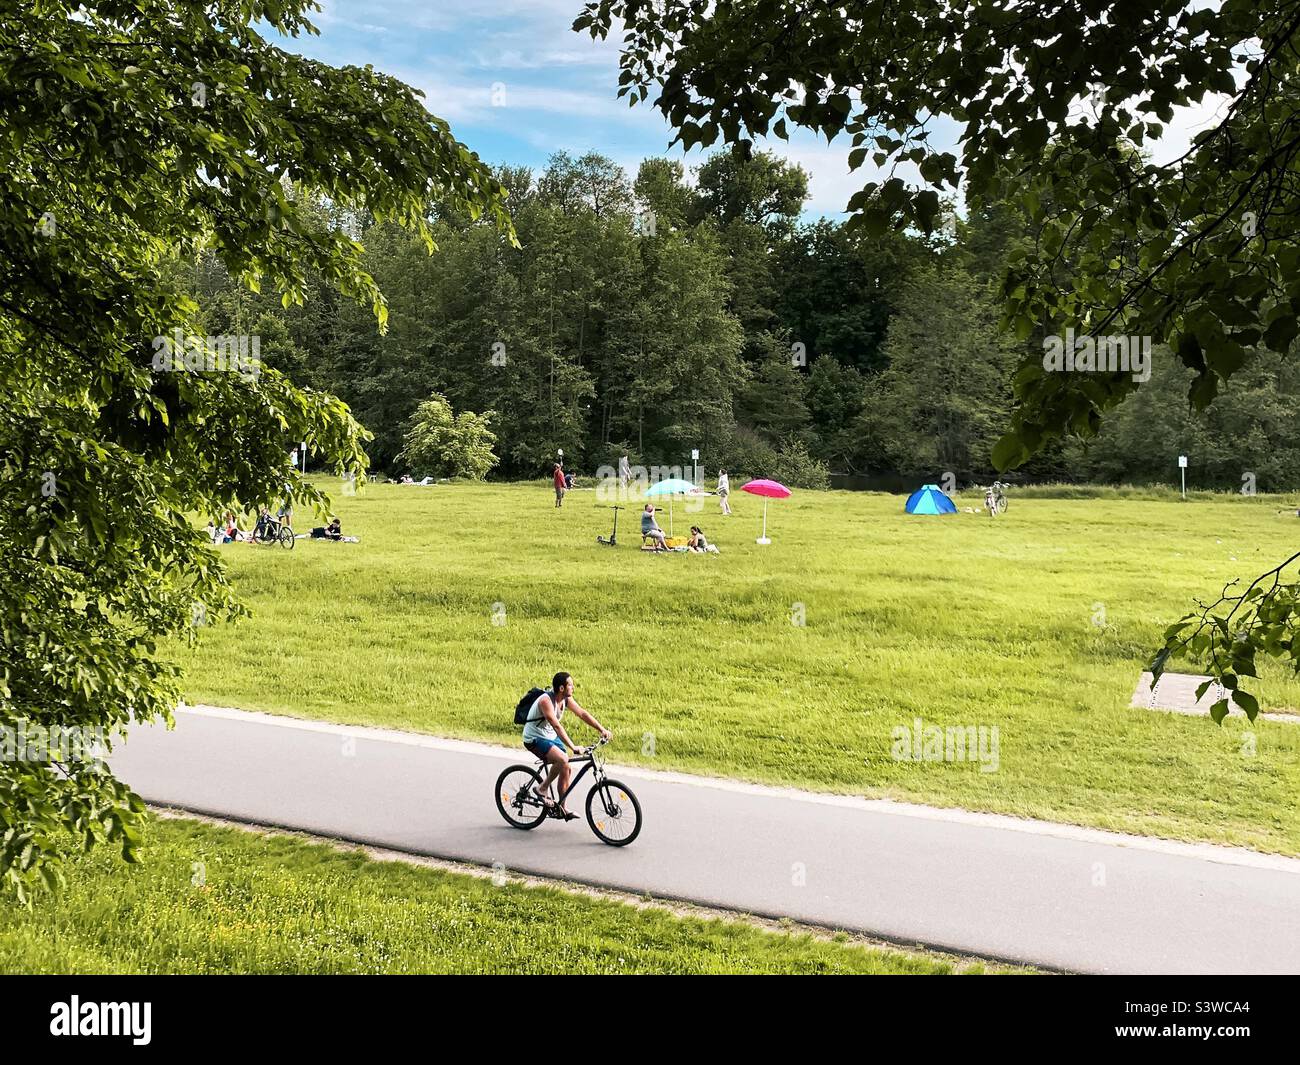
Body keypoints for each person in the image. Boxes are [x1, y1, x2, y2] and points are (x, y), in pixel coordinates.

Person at [522, 672, 611, 820]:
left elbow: (582, 713)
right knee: (563, 759)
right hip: (534, 738)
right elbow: (557, 726)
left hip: (549, 736)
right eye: (570, 685)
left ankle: (562, 808)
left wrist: (601, 729)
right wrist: (573, 747)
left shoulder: (565, 700)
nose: (573, 687)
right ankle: (542, 788)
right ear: (562, 688)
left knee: (566, 767)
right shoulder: (546, 701)